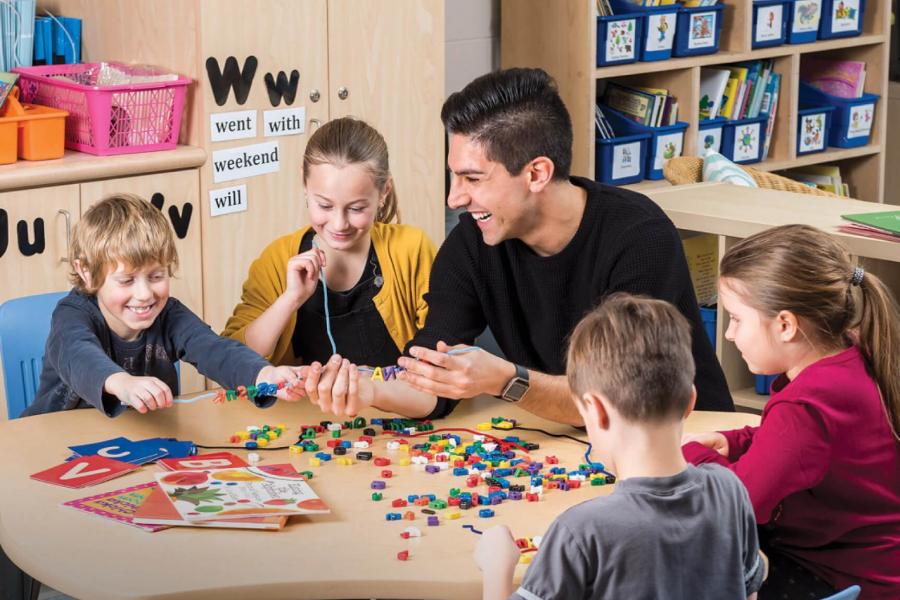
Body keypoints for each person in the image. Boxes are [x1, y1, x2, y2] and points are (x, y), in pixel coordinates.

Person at [385, 66, 732, 424]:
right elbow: (432, 372)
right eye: (454, 176)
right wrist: (366, 388)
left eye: (472, 178)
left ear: (537, 173)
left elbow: (617, 400)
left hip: (685, 440)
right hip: (579, 444)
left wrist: (505, 380)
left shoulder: (640, 237)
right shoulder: (474, 242)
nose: (454, 198)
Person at [475, 294, 764, 599]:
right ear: (690, 401)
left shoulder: (580, 532)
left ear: (596, 410)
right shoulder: (729, 491)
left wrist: (498, 567)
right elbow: (748, 592)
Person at [682, 225, 900, 599]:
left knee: (686, 566)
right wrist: (735, 442)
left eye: (736, 318)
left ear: (785, 325)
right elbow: (806, 448)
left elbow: (739, 505)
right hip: (877, 570)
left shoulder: (807, 404)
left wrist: (688, 454)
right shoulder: (851, 356)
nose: (730, 334)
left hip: (839, 581)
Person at [222, 117, 436, 416]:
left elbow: (443, 366)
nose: (339, 224)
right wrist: (290, 300)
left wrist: (370, 389)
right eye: (324, 206)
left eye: (357, 208)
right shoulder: (276, 258)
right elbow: (231, 362)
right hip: (307, 431)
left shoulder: (411, 249)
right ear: (304, 184)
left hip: (401, 421)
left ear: (384, 191)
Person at [23, 194, 302, 417]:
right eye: (126, 280)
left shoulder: (169, 314)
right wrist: (122, 383)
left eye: (157, 276)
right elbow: (77, 354)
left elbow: (215, 349)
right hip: (57, 447)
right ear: (85, 272)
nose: (144, 294)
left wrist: (265, 374)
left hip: (142, 443)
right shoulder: (72, 314)